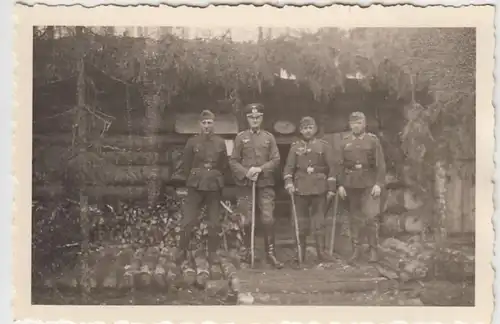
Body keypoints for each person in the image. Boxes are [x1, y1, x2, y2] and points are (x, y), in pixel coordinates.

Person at [229, 103, 283, 269]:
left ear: (262, 118)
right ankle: (248, 252)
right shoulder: (240, 137)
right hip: (246, 185)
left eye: (258, 117)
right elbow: (233, 161)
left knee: (268, 218)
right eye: (251, 117)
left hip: (265, 183)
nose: (254, 120)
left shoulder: (269, 137)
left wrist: (260, 169)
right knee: (247, 220)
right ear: (247, 119)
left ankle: (270, 253)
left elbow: (276, 160)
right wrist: (246, 173)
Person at [177, 110, 228, 268]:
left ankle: (212, 253)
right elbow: (186, 164)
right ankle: (181, 251)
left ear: (214, 124)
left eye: (210, 123)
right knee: (188, 220)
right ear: (200, 124)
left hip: (213, 186)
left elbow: (223, 165)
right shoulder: (192, 142)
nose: (207, 126)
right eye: (204, 123)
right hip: (196, 185)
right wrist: (194, 178)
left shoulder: (220, 142)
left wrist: (214, 176)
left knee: (214, 222)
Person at [283, 116, 337, 263]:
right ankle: (299, 254)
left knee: (319, 221)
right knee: (301, 223)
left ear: (315, 129)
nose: (308, 131)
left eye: (310, 128)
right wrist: (289, 183)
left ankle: (321, 253)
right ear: (301, 130)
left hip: (319, 189)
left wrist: (331, 188)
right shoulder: (295, 147)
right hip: (300, 189)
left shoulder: (323, 146)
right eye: (305, 128)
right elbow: (289, 168)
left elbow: (332, 168)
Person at [337, 111, 386, 263]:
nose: (356, 126)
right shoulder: (344, 142)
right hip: (351, 184)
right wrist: (340, 185)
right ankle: (356, 251)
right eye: (353, 123)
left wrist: (378, 183)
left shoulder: (372, 140)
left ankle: (373, 250)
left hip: (369, 184)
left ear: (364, 124)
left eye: (359, 123)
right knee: (354, 218)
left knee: (371, 217)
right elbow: (339, 165)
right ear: (350, 125)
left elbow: (380, 164)